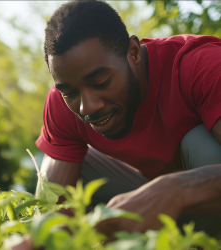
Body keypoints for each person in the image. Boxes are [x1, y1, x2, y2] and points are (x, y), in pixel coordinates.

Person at [35, 0, 221, 237]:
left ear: (133, 53)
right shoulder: (61, 104)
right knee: (62, 173)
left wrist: (176, 190)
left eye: (101, 82)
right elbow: (48, 208)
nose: (86, 106)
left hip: (203, 200)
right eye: (69, 92)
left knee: (201, 145)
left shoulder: (201, 65)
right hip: (155, 205)